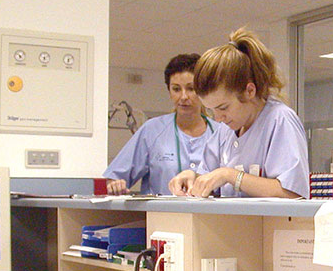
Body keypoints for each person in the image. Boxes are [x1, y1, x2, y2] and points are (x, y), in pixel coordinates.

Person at [168, 28, 309, 199]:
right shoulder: (226, 130)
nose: (218, 118)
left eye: (223, 108)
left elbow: (292, 193)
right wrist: (193, 178)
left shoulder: (280, 120)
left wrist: (230, 175)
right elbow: (211, 179)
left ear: (249, 91)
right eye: (212, 110)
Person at [103, 54, 225, 195]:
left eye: (191, 88)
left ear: (203, 91)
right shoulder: (152, 130)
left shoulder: (221, 132)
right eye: (176, 89)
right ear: (169, 92)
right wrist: (115, 185)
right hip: (163, 209)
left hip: (210, 209)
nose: (183, 97)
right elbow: (114, 178)